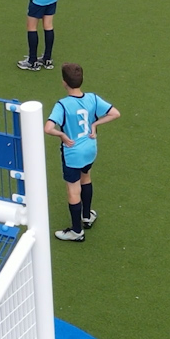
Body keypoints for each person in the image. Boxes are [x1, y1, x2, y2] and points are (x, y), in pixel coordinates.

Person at [43, 62, 118, 242]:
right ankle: (87, 216)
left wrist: (61, 134)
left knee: (72, 189)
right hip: (90, 149)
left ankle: (77, 231)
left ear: (64, 82)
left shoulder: (62, 105)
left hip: (73, 153)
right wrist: (94, 124)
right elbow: (115, 113)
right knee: (86, 177)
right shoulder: (92, 98)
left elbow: (48, 128)